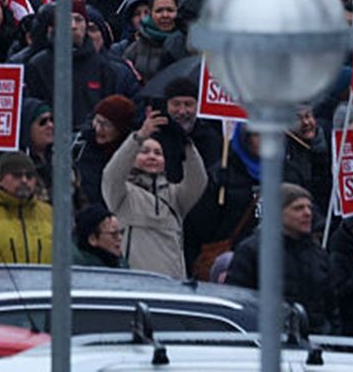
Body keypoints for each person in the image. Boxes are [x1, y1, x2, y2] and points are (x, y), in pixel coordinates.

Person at [99, 105, 207, 279]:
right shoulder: (122, 194)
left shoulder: (176, 195)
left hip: (171, 286)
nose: (152, 156)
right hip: (133, 284)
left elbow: (199, 180)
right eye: (144, 151)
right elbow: (112, 174)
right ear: (133, 156)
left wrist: (186, 145)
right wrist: (138, 138)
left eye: (158, 153)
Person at [226, 182, 337, 333]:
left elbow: (331, 305)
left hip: (318, 342)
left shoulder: (318, 254)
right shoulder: (251, 251)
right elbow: (237, 300)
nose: (308, 213)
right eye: (298, 208)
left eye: (309, 207)